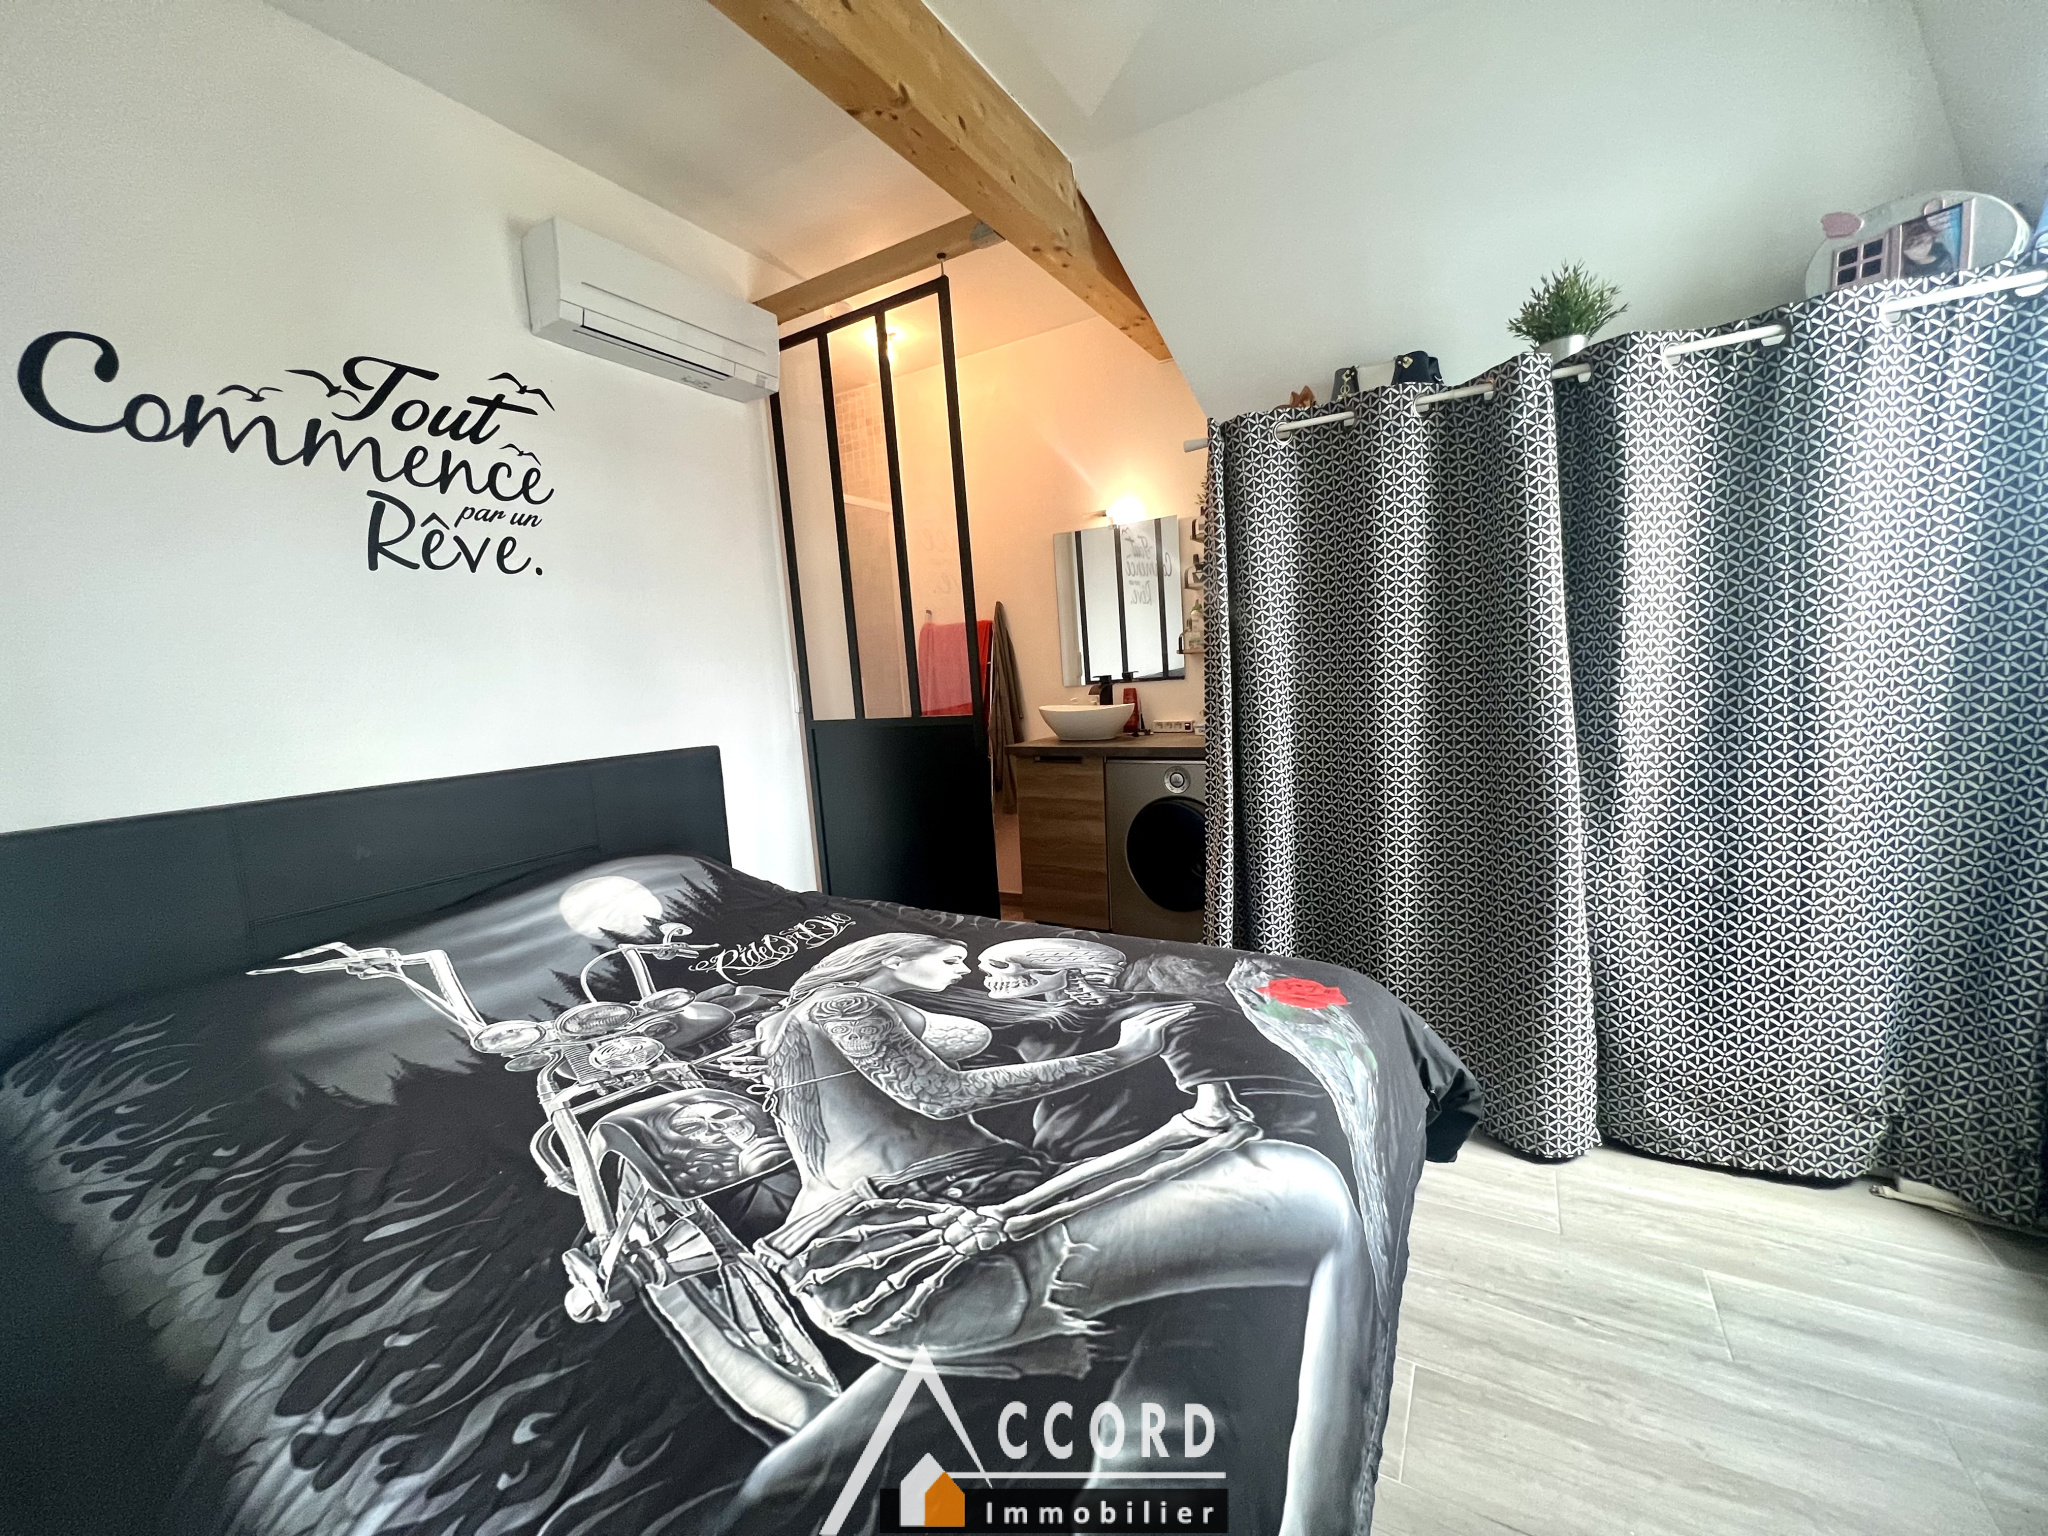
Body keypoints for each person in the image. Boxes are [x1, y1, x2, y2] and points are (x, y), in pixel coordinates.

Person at [745, 931, 1372, 1536]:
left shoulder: (793, 1023)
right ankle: (1319, 1519)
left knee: (837, 1464)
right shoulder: (845, 1004)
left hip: (880, 1247)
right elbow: (937, 1095)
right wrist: (1123, 1055)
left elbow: (962, 1046)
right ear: (890, 957)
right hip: (934, 1232)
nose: (971, 973)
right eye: (954, 958)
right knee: (1322, 1203)